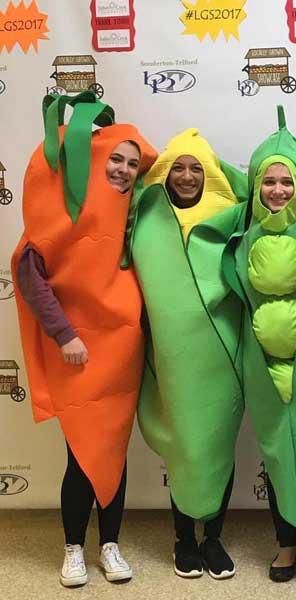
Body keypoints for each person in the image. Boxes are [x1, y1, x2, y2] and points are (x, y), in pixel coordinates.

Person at [190, 106, 296, 585]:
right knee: (277, 454)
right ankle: (285, 545)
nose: (277, 190)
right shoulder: (239, 232)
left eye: (286, 181)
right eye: (268, 181)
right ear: (256, 184)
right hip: (261, 365)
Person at [11, 92, 157, 587]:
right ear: (94, 158)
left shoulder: (133, 213)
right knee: (82, 453)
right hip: (74, 350)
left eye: (132, 163)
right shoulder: (61, 210)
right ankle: (74, 548)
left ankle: (110, 546)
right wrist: (65, 333)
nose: (122, 169)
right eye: (115, 158)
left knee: (113, 448)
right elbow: (32, 274)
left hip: (121, 349)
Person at [130, 129, 246, 580]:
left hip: (220, 351)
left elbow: (265, 188)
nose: (186, 176)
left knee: (217, 443)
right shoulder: (144, 220)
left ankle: (213, 539)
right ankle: (183, 539)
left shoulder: (230, 217)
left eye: (197, 167)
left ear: (210, 174)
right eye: (177, 166)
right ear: (164, 173)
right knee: (182, 445)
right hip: (170, 352)